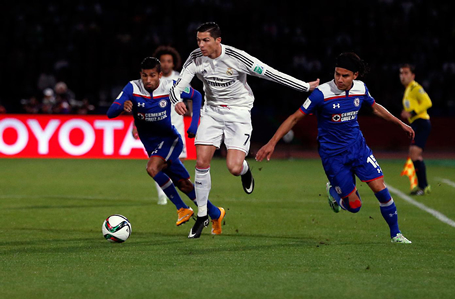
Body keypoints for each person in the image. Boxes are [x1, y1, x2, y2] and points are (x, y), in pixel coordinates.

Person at [169, 22, 320, 238]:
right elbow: (179, 85)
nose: (200, 45)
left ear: (218, 40)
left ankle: (245, 170)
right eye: (198, 40)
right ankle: (202, 215)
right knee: (201, 162)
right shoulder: (195, 57)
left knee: (233, 167)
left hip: (238, 113)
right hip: (211, 112)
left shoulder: (237, 57)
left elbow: (271, 73)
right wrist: (176, 100)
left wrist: (304, 87)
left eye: (205, 40)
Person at [256, 52, 414, 244]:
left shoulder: (361, 89)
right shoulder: (322, 93)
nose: (339, 79)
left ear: (355, 75)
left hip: (358, 149)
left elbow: (375, 108)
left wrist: (401, 124)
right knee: (355, 206)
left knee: (381, 189)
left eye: (344, 75)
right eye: (337, 74)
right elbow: (295, 117)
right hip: (333, 156)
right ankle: (334, 192)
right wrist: (272, 142)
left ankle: (395, 234)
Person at [107, 57, 225, 238]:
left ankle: (182, 208)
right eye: (145, 76)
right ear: (140, 75)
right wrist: (122, 106)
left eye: (152, 75)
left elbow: (196, 95)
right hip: (153, 145)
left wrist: (194, 125)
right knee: (184, 184)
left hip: (171, 140)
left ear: (160, 75)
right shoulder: (132, 87)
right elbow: (110, 113)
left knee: (152, 168)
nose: (148, 80)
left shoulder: (171, 85)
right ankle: (216, 213)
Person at [135, 46, 189, 205]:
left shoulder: (180, 78)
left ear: (174, 64)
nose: (166, 64)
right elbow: (140, 104)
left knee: (178, 161)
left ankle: (173, 190)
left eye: (169, 61)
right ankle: (162, 195)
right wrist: (135, 125)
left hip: (177, 124)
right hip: (156, 125)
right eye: (163, 61)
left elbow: (190, 97)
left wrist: (193, 118)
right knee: (158, 162)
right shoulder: (150, 81)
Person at [399, 64, 433, 196]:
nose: (403, 76)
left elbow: (428, 102)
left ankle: (423, 186)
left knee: (414, 154)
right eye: (401, 73)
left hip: (422, 123)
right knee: (415, 155)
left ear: (412, 76)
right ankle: (423, 186)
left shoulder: (415, 87)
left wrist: (412, 113)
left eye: (406, 73)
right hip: (417, 124)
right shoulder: (408, 90)